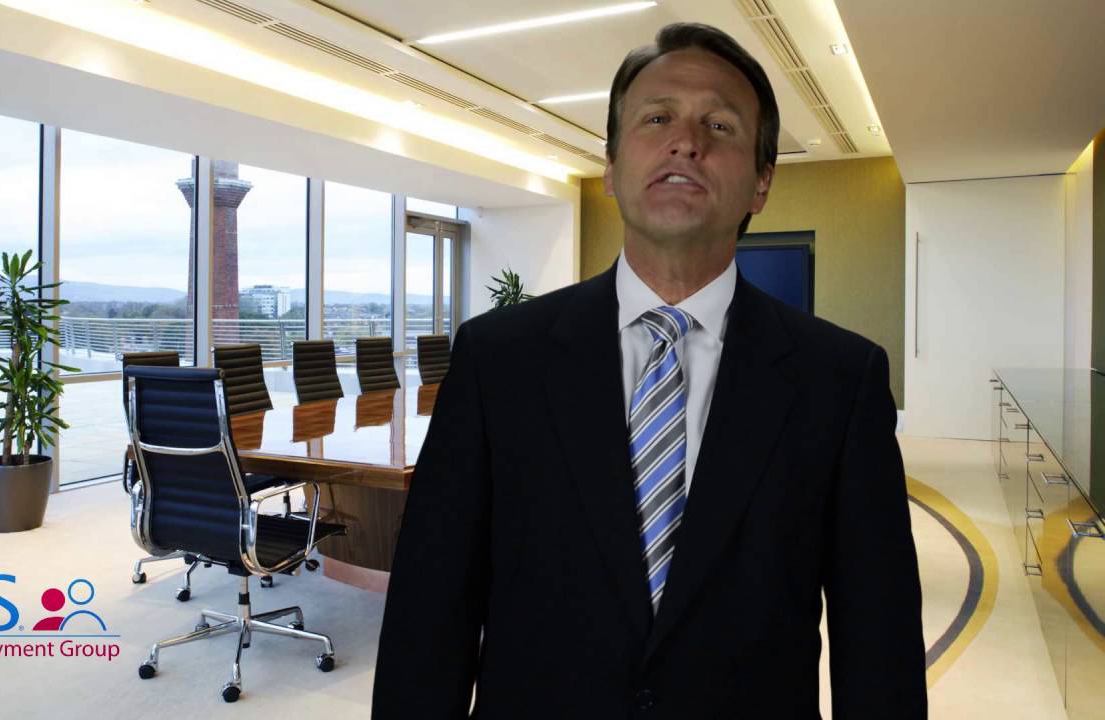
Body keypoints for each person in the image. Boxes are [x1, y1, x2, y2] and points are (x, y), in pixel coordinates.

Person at [373, 22, 926, 719]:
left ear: (761, 182)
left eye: (720, 125)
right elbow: (430, 614)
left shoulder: (841, 380)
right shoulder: (496, 360)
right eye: (657, 118)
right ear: (610, 167)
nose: (686, 141)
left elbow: (878, 641)